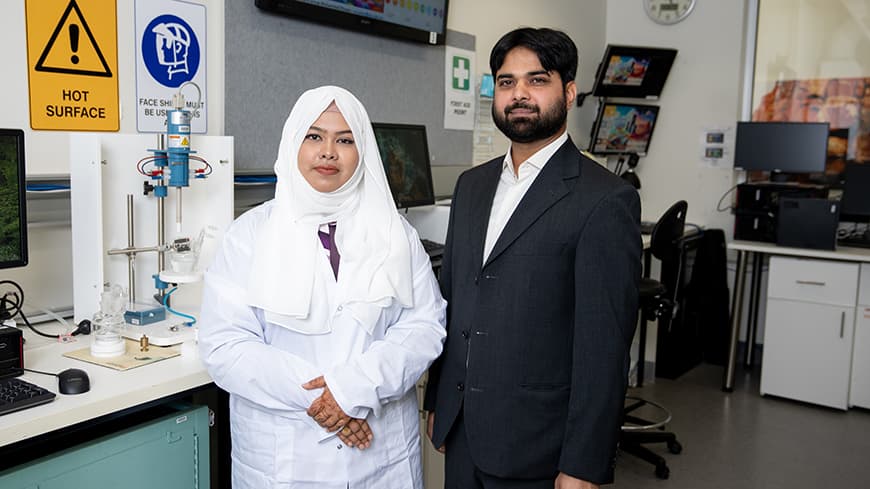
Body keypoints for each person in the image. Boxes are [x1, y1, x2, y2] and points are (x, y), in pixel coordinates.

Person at [424, 28, 642, 489]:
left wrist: (584, 462)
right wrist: (439, 401)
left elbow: (604, 349)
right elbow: (454, 302)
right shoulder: (471, 186)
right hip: (462, 429)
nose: (519, 94)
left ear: (569, 92)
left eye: (537, 80)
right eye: (506, 82)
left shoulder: (604, 199)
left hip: (538, 446)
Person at [199, 85, 446, 488]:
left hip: (380, 458)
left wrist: (353, 390)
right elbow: (225, 345)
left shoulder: (395, 233)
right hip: (286, 459)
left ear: (363, 151)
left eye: (345, 140)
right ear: (293, 143)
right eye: (314, 136)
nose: (328, 152)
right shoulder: (248, 236)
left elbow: (425, 327)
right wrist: (328, 401)